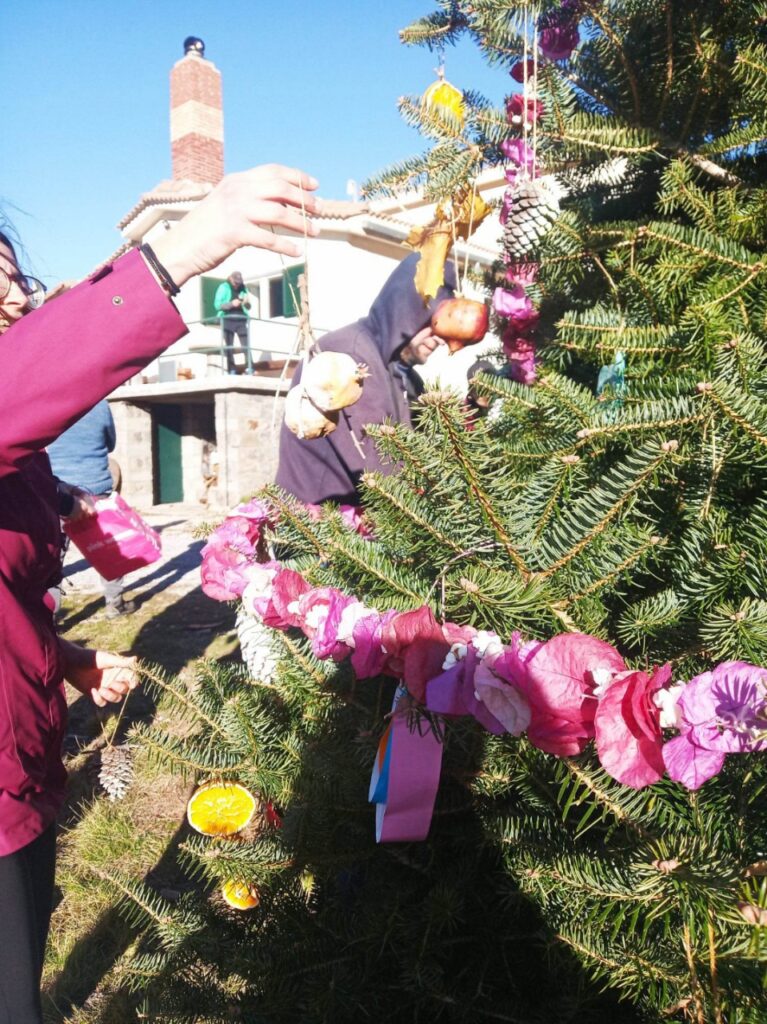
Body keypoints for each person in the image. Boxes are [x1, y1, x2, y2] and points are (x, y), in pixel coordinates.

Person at [0, 162, 318, 1024]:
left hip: (22, 762)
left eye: (15, 279)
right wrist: (181, 250)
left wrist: (62, 659)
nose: (15, 299)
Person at [275, 253, 456, 505]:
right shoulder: (349, 356)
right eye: (432, 321)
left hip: (364, 530)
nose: (439, 336)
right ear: (407, 309)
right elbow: (380, 469)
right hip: (317, 531)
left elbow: (436, 446)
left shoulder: (407, 376)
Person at [47, 399, 137, 618]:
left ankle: (49, 613)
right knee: (108, 550)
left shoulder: (49, 402)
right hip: (95, 487)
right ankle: (114, 605)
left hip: (58, 490)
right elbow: (110, 442)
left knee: (53, 556)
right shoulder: (99, 404)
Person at [214, 269, 252, 374]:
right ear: (230, 279)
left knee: (246, 344)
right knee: (229, 345)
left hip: (241, 318)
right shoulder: (223, 287)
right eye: (235, 283)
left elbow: (249, 306)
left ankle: (250, 368)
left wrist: (246, 303)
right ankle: (232, 369)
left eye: (238, 283)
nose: (237, 285)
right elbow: (217, 305)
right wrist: (231, 304)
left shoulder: (243, 288)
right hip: (227, 318)